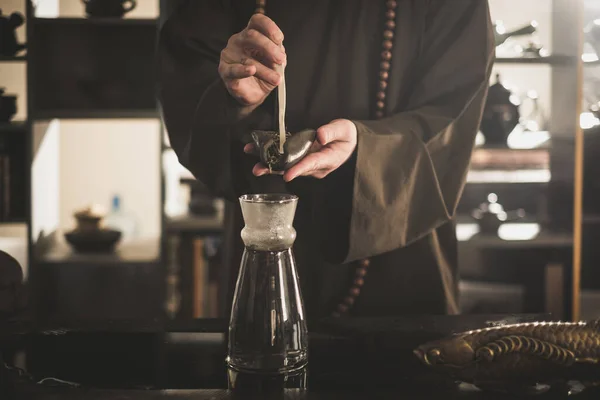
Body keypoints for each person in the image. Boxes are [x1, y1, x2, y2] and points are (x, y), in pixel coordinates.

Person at [157, 0, 495, 321]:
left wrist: (365, 147)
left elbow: (454, 112)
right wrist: (231, 93)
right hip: (263, 236)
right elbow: (188, 75)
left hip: (404, 247)